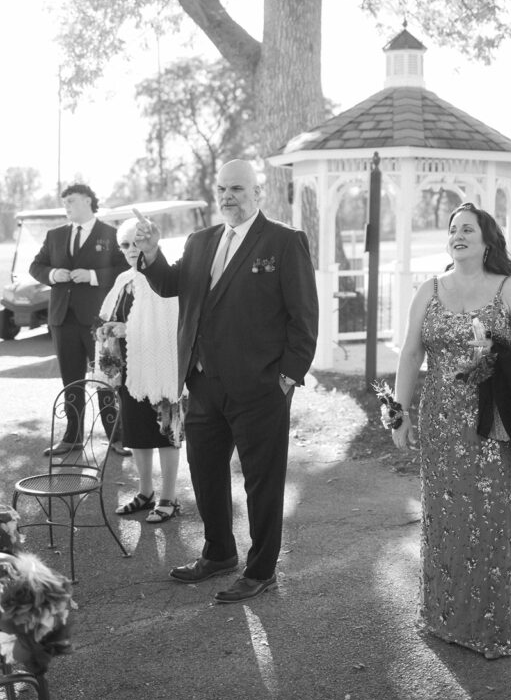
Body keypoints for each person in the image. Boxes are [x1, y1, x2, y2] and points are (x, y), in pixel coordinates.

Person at [133, 159, 318, 600]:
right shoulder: (200, 241)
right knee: (206, 473)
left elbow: (304, 319)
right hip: (202, 382)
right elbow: (169, 283)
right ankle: (218, 553)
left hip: (260, 387)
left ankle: (261, 570)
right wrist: (153, 253)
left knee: (262, 481)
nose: (228, 196)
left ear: (258, 194)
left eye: (237, 188)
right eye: (222, 189)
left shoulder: (284, 242)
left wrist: (287, 377)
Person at [390, 202, 511, 658]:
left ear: (487, 241)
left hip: (491, 427)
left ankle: (493, 628)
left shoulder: (509, 290)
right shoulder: (430, 289)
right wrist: (399, 411)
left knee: (490, 519)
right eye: (453, 230)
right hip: (439, 425)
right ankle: (445, 619)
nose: (458, 236)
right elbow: (409, 353)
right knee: (444, 518)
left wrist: (496, 354)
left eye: (468, 230)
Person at [29, 183, 130, 456]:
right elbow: (35, 267)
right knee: (71, 381)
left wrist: (93, 276)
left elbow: (124, 268)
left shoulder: (111, 234)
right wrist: (53, 274)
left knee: (106, 379)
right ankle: (72, 437)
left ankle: (116, 437)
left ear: (87, 200)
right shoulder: (55, 235)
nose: (67, 207)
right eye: (65, 203)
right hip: (62, 319)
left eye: (71, 201)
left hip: (99, 320)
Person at [95, 218, 183, 524]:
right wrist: (109, 331)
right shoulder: (123, 280)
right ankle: (145, 493)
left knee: (165, 433)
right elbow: (113, 318)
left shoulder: (163, 277)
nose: (132, 249)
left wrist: (125, 329)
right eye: (125, 244)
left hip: (160, 368)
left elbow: (169, 328)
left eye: (136, 242)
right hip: (129, 373)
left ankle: (169, 498)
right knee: (137, 436)